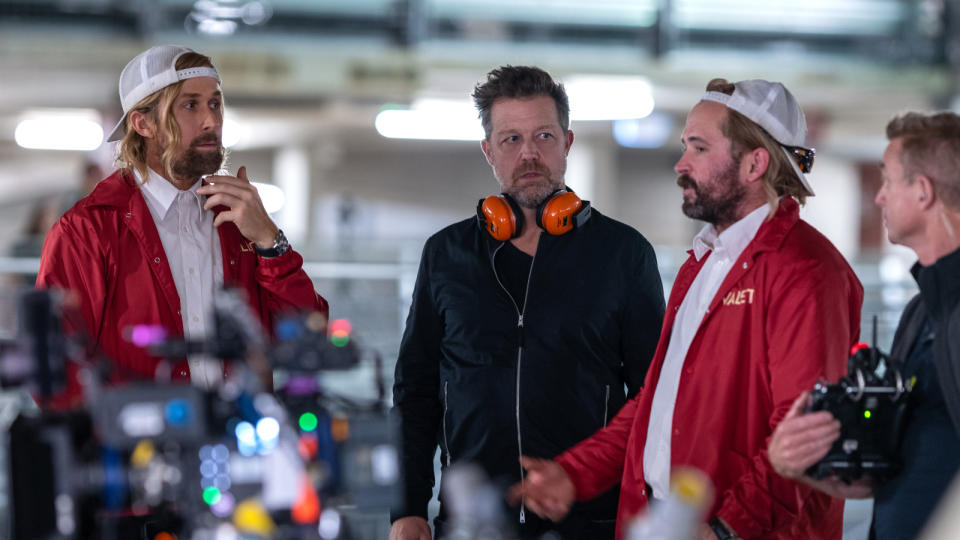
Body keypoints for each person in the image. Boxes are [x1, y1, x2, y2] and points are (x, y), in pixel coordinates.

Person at [512, 78, 864, 540]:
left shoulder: (806, 272)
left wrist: (725, 531)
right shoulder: (702, 263)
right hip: (662, 522)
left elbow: (806, 439)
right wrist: (575, 473)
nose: (680, 164)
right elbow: (656, 402)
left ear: (755, 163)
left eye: (699, 148)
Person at [389, 65, 666, 540]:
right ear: (488, 151)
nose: (530, 154)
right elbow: (416, 392)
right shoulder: (446, 254)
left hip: (589, 520)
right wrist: (407, 507)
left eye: (543, 135)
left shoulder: (624, 253)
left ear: (568, 142)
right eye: (511, 139)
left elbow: (654, 399)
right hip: (470, 519)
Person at [36, 45, 327, 408]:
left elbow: (307, 337)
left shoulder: (240, 221)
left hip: (243, 444)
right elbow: (54, 367)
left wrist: (270, 241)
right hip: (139, 454)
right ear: (142, 123)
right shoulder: (87, 230)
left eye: (215, 104)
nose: (211, 121)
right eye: (191, 105)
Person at [767, 111, 960, 540]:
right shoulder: (922, 310)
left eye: (889, 181)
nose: (879, 197)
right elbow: (898, 467)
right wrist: (804, 464)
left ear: (924, 191)